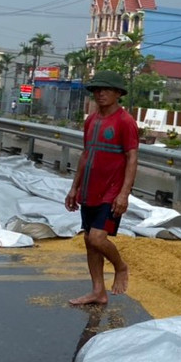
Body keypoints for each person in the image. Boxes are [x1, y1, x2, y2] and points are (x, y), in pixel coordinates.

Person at [65, 70, 139, 305]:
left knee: (98, 238)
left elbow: (132, 158)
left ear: (118, 93)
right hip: (89, 189)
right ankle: (98, 291)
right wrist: (74, 187)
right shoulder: (91, 120)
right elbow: (86, 154)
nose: (100, 93)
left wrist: (124, 193)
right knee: (89, 240)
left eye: (106, 89)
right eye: (97, 89)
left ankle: (121, 266)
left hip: (112, 190)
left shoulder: (125, 122)